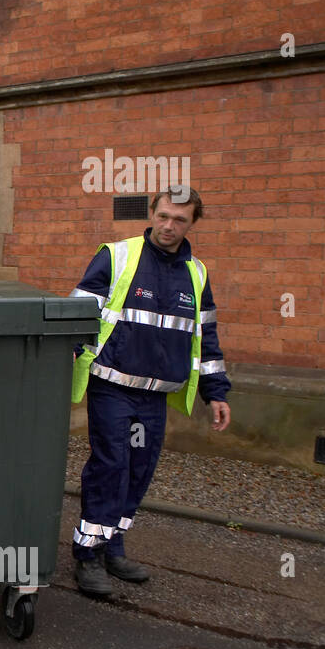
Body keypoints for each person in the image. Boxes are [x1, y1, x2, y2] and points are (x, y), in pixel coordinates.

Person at [69, 184, 231, 597]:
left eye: (179, 219)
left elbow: (205, 336)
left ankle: (113, 548)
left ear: (193, 223)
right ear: (151, 214)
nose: (168, 226)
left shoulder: (196, 273)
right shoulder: (117, 256)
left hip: (155, 395)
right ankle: (87, 555)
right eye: (163, 216)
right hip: (112, 386)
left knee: (139, 470)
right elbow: (77, 315)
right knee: (111, 465)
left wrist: (217, 392)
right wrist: (58, 363)